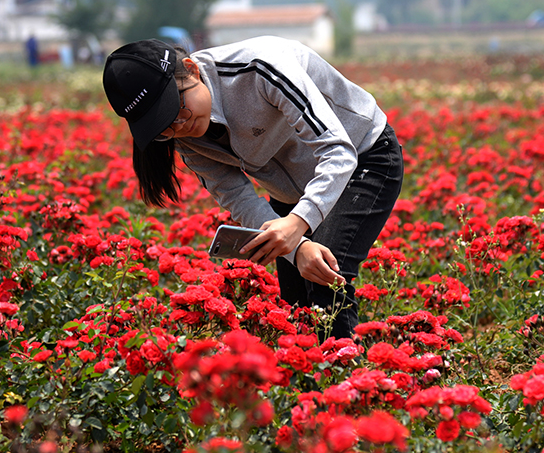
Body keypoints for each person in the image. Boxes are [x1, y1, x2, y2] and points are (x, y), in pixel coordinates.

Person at [102, 37, 403, 340]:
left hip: (363, 157)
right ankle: (310, 386)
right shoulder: (178, 137)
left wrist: (298, 224)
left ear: (192, 71)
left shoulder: (258, 68)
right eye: (162, 124)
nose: (179, 125)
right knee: (295, 309)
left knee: (326, 278)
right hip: (290, 193)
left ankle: (349, 384)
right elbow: (236, 195)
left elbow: (338, 149)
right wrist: (296, 246)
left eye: (177, 107)